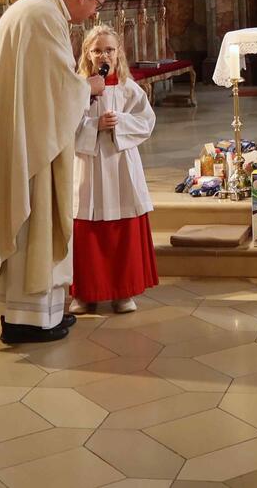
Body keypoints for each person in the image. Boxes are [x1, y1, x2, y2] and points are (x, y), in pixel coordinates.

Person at [0, 0, 108, 345]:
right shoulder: (41, 16)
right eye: (97, 5)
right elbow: (54, 90)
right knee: (29, 223)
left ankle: (35, 316)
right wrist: (88, 86)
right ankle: (29, 320)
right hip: (30, 144)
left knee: (27, 227)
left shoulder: (33, 9)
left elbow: (41, 83)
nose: (94, 15)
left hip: (23, 134)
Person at [69, 25, 159, 315]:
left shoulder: (127, 88)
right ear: (87, 54)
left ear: (118, 53)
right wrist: (94, 126)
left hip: (120, 165)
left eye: (108, 49)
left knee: (123, 225)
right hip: (89, 166)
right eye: (97, 50)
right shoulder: (77, 88)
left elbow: (146, 121)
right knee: (87, 227)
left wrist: (119, 122)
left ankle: (123, 292)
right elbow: (63, 126)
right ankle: (85, 294)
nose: (103, 55)